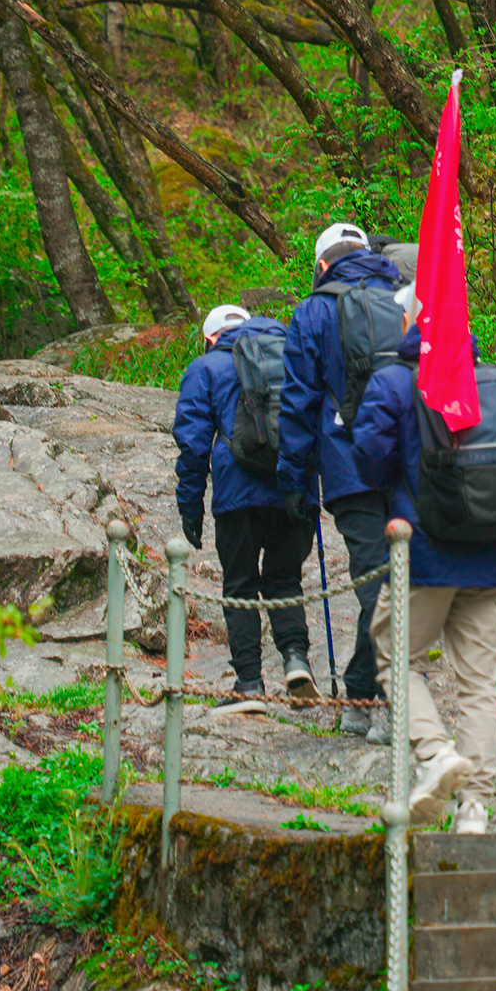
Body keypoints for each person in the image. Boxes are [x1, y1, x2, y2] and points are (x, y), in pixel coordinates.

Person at [351, 289, 496, 836]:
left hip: (422, 551)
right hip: (490, 554)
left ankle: (435, 752)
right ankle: (474, 808)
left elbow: (370, 463)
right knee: (479, 684)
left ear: (409, 320)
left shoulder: (395, 382)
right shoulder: (491, 381)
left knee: (395, 654)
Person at [277, 223, 401, 743]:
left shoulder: (312, 312)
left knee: (377, 582)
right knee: (395, 582)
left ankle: (375, 699)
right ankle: (362, 695)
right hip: (405, 459)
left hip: (349, 467)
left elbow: (299, 402)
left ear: (322, 265)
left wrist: (295, 479)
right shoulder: (408, 299)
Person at [174, 303, 318, 715]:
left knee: (239, 585)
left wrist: (191, 505)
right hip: (296, 488)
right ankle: (296, 662)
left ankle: (250, 685)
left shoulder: (206, 368)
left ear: (212, 337)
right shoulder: (292, 356)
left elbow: (193, 441)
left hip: (238, 494)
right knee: (286, 579)